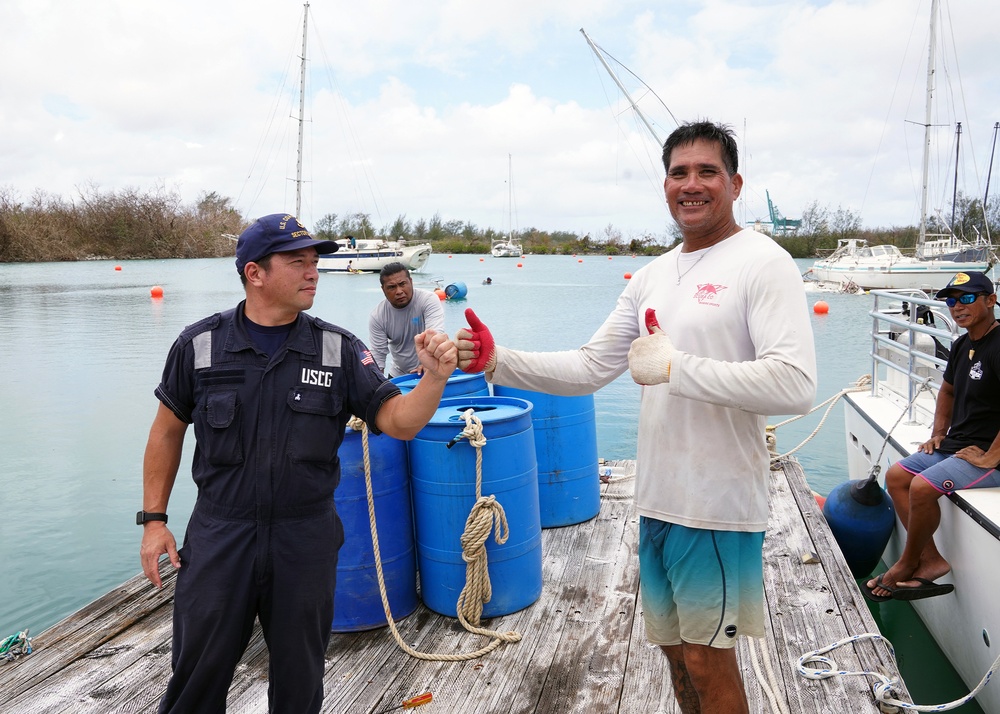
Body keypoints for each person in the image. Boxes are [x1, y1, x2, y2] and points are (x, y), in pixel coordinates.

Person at [455, 121, 816, 714]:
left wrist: (678, 367)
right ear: (666, 184)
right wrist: (500, 361)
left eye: (707, 171)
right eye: (679, 172)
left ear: (735, 183)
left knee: (707, 658)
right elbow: (592, 366)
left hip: (718, 504)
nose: (691, 184)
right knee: (675, 654)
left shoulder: (763, 262)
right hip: (657, 500)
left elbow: (796, 385)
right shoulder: (651, 275)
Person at [138, 213, 457, 714]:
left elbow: (398, 422)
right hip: (221, 534)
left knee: (300, 680)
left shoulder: (338, 349)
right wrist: (154, 521)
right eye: (297, 262)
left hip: (304, 538)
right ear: (254, 273)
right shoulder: (199, 346)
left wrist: (434, 380)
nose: (313, 272)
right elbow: (166, 432)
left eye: (314, 262)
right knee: (197, 677)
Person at [865, 271, 1000, 602]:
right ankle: (930, 559)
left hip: (988, 454)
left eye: (966, 298)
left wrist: (991, 457)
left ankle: (907, 564)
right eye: (952, 301)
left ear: (990, 300)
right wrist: (938, 433)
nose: (957, 307)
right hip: (958, 445)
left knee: (922, 487)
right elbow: (948, 391)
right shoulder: (962, 345)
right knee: (897, 476)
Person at [368, 261, 445, 378]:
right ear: (383, 290)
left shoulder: (428, 300)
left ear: (411, 282)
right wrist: (375, 383)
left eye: (402, 284)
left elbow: (435, 335)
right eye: (392, 287)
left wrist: (427, 363)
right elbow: (378, 354)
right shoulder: (378, 316)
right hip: (399, 376)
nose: (399, 291)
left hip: (430, 370)